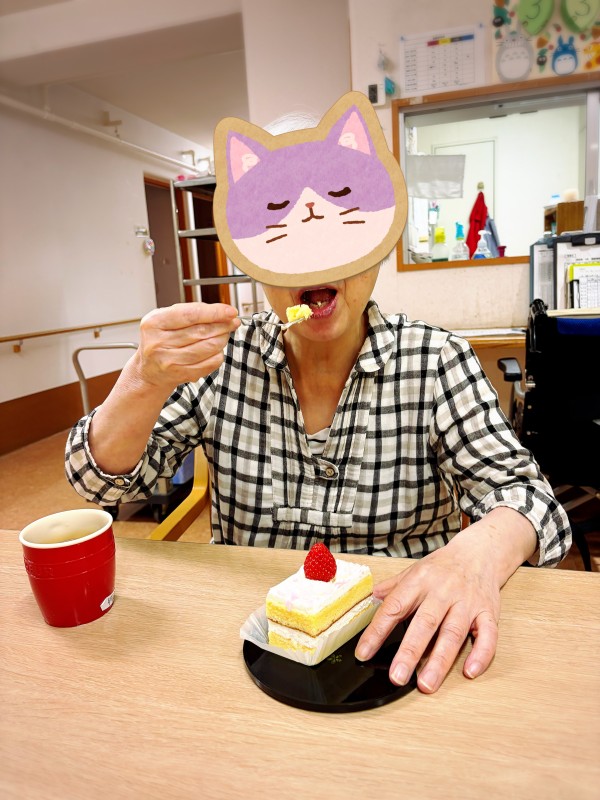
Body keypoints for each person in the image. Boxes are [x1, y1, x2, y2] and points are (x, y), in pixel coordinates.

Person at [65, 97, 571, 694]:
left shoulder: (436, 361)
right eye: (278, 213)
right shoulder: (220, 362)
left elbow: (531, 501)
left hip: (399, 647)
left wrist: (474, 555)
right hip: (253, 650)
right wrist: (142, 380)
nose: (311, 242)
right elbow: (99, 485)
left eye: (339, 208)